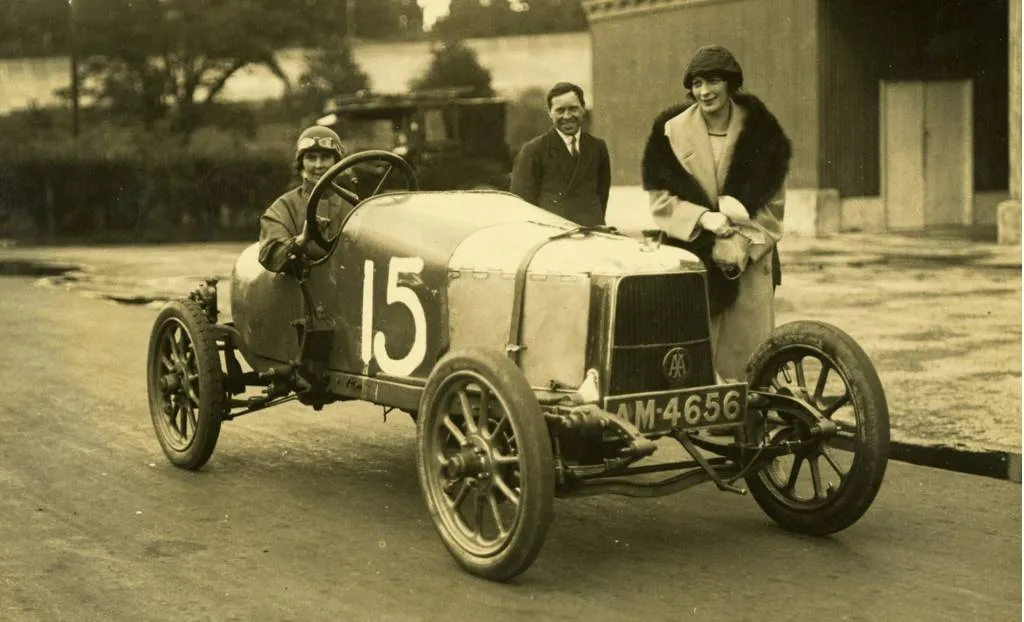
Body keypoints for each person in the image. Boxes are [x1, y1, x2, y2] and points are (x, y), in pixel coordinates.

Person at [641, 45, 792, 380]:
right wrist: (700, 218)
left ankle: (748, 418)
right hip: (693, 255)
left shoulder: (763, 131)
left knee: (748, 353)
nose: (704, 92)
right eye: (696, 84)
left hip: (749, 262)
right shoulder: (670, 130)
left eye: (712, 81)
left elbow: (773, 207)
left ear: (730, 83)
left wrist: (741, 247)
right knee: (695, 348)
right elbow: (660, 200)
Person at [510, 82, 611, 226]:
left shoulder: (598, 147)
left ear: (583, 109)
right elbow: (521, 205)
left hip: (591, 232)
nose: (567, 116)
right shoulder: (533, 150)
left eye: (573, 109)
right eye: (560, 110)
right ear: (550, 113)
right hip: (553, 234)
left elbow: (602, 196)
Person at [258, 125, 355, 274]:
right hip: (301, 290)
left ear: (337, 162)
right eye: (311, 158)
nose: (318, 165)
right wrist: (302, 240)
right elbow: (270, 253)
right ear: (301, 163)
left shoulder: (355, 205)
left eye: (325, 157)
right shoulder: (283, 207)